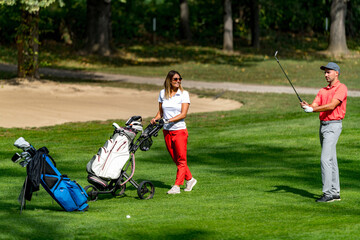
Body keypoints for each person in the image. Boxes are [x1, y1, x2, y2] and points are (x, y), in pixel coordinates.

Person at [300, 62, 347, 203]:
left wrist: (313, 110)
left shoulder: (341, 88)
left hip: (334, 126)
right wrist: (307, 106)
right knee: (331, 159)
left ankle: (327, 194)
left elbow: (332, 105)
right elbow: (315, 105)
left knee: (325, 159)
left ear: (336, 73)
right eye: (325, 73)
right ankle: (335, 193)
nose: (326, 75)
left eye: (328, 72)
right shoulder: (322, 90)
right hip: (323, 126)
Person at [151, 70, 197, 194]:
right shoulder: (162, 93)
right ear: (169, 81)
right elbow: (161, 112)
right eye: (175, 79)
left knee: (181, 159)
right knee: (175, 158)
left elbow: (183, 114)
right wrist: (155, 119)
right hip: (167, 131)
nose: (178, 81)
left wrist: (168, 120)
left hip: (180, 130)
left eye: (179, 79)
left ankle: (177, 186)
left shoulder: (183, 94)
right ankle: (190, 179)